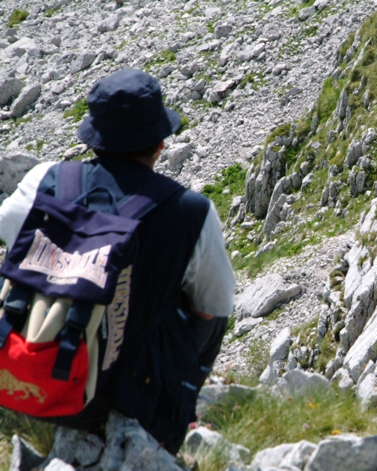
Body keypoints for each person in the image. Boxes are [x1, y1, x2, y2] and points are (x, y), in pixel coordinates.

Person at [0, 69, 236, 452]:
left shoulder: (45, 180)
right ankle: (174, 409)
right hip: (131, 401)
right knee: (210, 311)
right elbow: (214, 306)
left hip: (36, 385)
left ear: (94, 138)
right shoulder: (191, 211)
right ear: (160, 142)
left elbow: (10, 235)